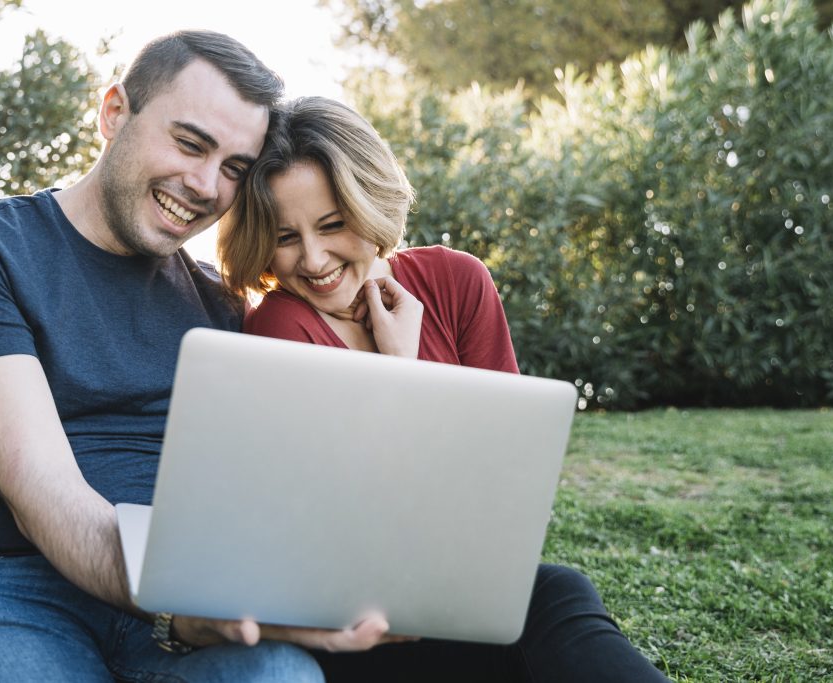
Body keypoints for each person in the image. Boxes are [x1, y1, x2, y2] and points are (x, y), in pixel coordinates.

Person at [0, 31, 395, 683]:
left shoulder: (222, 306)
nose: (206, 185)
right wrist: (182, 606)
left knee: (279, 675)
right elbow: (46, 498)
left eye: (235, 168)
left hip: (175, 598)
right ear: (112, 113)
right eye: (189, 143)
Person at [219, 96, 671, 682]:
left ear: (371, 204)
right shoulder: (280, 326)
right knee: (551, 596)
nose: (313, 258)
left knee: (556, 591)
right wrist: (403, 369)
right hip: (349, 623)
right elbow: (348, 521)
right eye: (286, 236)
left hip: (458, 586)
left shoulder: (457, 281)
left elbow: (499, 486)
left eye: (333, 225)